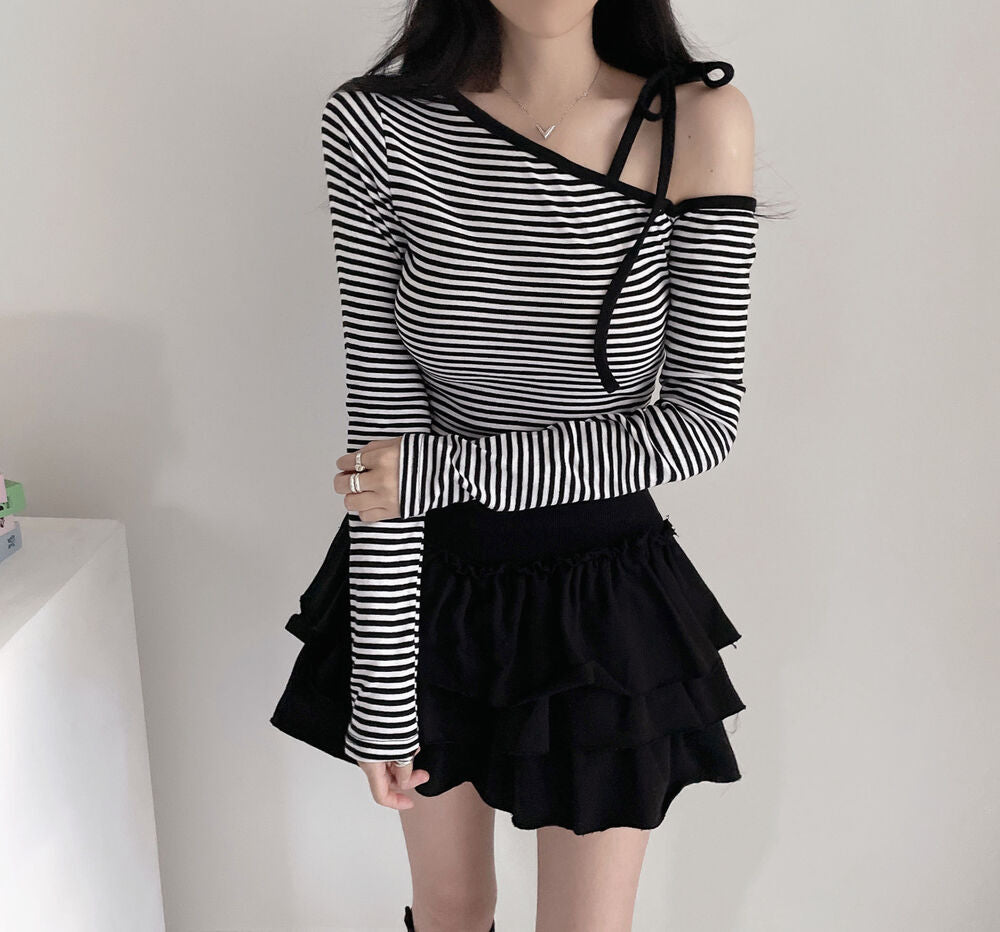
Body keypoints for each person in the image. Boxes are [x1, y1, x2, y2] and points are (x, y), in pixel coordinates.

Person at [271, 1, 760, 928]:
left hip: (602, 606)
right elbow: (383, 422)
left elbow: (701, 421)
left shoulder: (697, 123)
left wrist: (451, 470)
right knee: (449, 911)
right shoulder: (378, 125)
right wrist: (382, 686)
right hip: (431, 584)